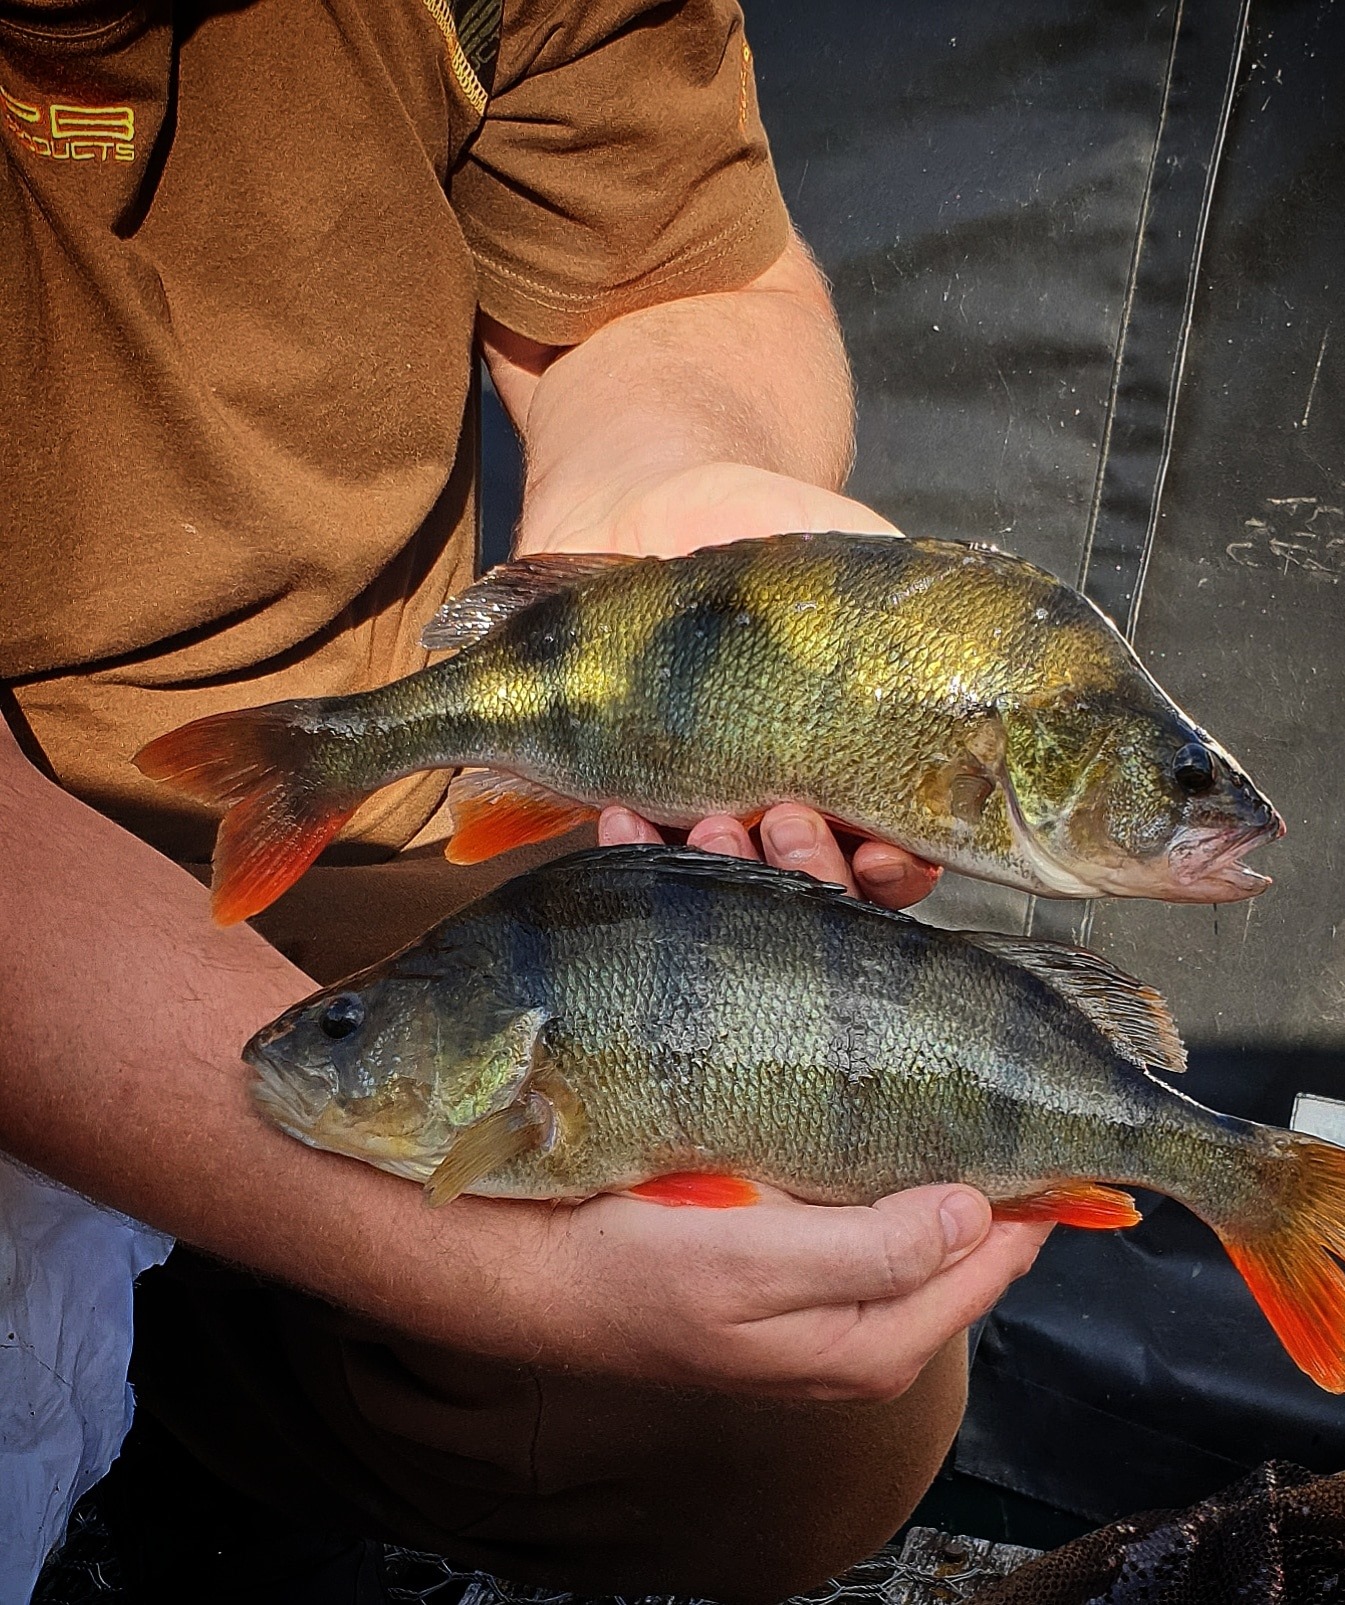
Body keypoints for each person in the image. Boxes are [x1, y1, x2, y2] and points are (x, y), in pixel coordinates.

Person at [0, 0, 1050, 1598]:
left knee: (788, 1408)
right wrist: (470, 1261)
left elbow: (670, 287)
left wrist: (670, 498)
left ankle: (203, 1389)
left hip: (352, 841)